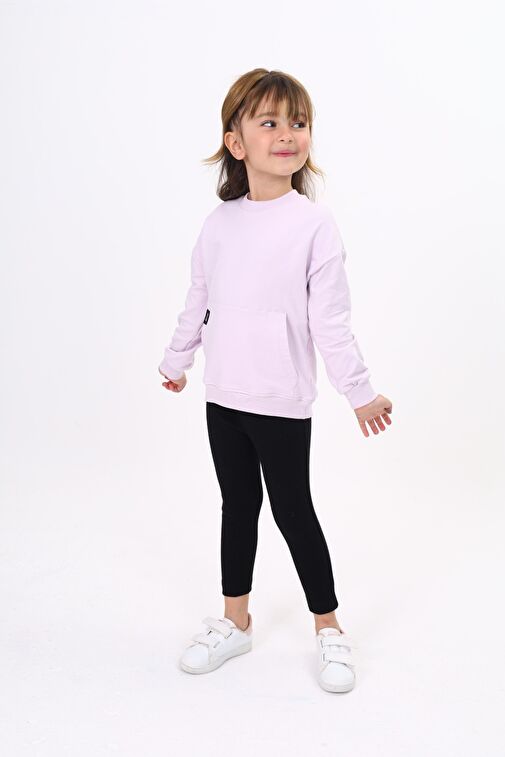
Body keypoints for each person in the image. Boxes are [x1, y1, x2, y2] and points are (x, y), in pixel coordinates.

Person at [158, 68, 393, 693]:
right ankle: (235, 621)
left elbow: (330, 321)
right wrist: (177, 359)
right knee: (238, 507)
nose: (288, 134)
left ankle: (329, 627)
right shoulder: (218, 224)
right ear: (236, 142)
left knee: (293, 511)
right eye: (270, 122)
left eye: (299, 122)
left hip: (282, 399)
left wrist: (359, 393)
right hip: (223, 396)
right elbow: (199, 298)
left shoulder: (313, 225)